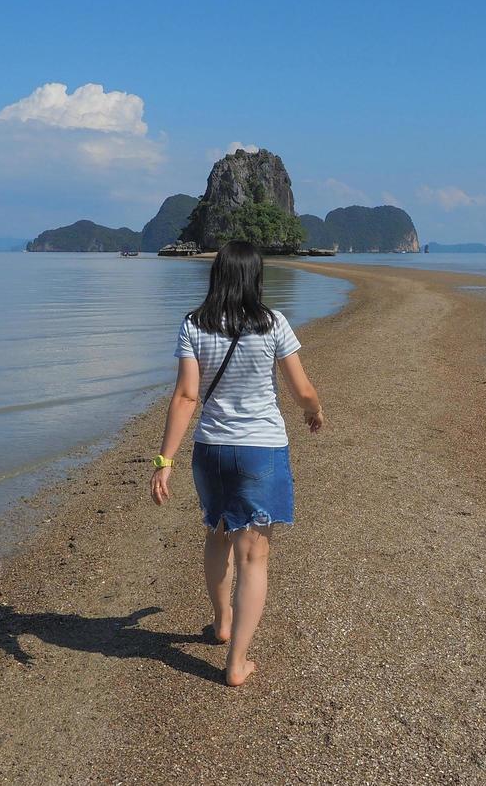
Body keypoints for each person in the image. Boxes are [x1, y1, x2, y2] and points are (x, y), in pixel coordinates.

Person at [149, 240, 324, 686]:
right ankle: (237, 661)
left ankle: (221, 622)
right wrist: (313, 411)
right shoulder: (272, 322)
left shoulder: (193, 324)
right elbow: (300, 388)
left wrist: (164, 459)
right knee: (254, 557)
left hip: (211, 450)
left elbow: (187, 396)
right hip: (260, 450)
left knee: (217, 534)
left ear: (218, 275)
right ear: (255, 277)